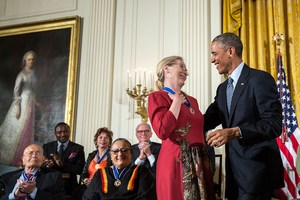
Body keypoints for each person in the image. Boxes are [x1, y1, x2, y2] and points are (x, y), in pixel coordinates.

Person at [204, 32, 284, 200]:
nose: (212, 59)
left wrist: (236, 132)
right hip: (233, 175)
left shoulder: (259, 79)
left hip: (257, 172)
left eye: (214, 53)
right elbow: (205, 121)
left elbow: (274, 124)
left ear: (230, 51)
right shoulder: (223, 88)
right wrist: (178, 103)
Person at [148, 56, 216, 200]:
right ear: (167, 69)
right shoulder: (157, 97)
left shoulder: (193, 101)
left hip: (200, 160)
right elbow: (162, 131)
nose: (186, 72)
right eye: (182, 67)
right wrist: (176, 102)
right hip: (175, 162)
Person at [82, 138, 156, 200]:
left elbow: (146, 197)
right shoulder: (100, 173)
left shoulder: (141, 171)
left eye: (124, 150)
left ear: (131, 153)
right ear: (111, 155)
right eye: (116, 151)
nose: (120, 154)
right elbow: (88, 198)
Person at [0, 51, 38, 166]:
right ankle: (14, 158)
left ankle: (24, 159)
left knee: (27, 130)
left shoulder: (33, 74)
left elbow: (33, 90)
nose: (30, 61)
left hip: (30, 102)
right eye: (28, 59)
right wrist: (17, 107)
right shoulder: (21, 74)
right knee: (19, 130)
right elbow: (16, 92)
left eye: (32, 59)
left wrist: (36, 102)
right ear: (25, 61)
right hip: (22, 102)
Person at [0, 144, 65, 200]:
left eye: (38, 153)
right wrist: (14, 195)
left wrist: (34, 192)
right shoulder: (5, 178)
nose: (34, 156)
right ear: (23, 160)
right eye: (30, 153)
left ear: (43, 159)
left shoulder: (54, 177)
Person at [42, 122, 85, 196]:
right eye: (59, 132)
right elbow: (41, 167)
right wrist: (48, 165)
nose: (63, 134)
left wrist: (62, 164)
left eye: (65, 131)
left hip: (69, 187)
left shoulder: (78, 148)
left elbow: (80, 169)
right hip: (49, 186)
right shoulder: (47, 147)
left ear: (69, 132)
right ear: (55, 134)